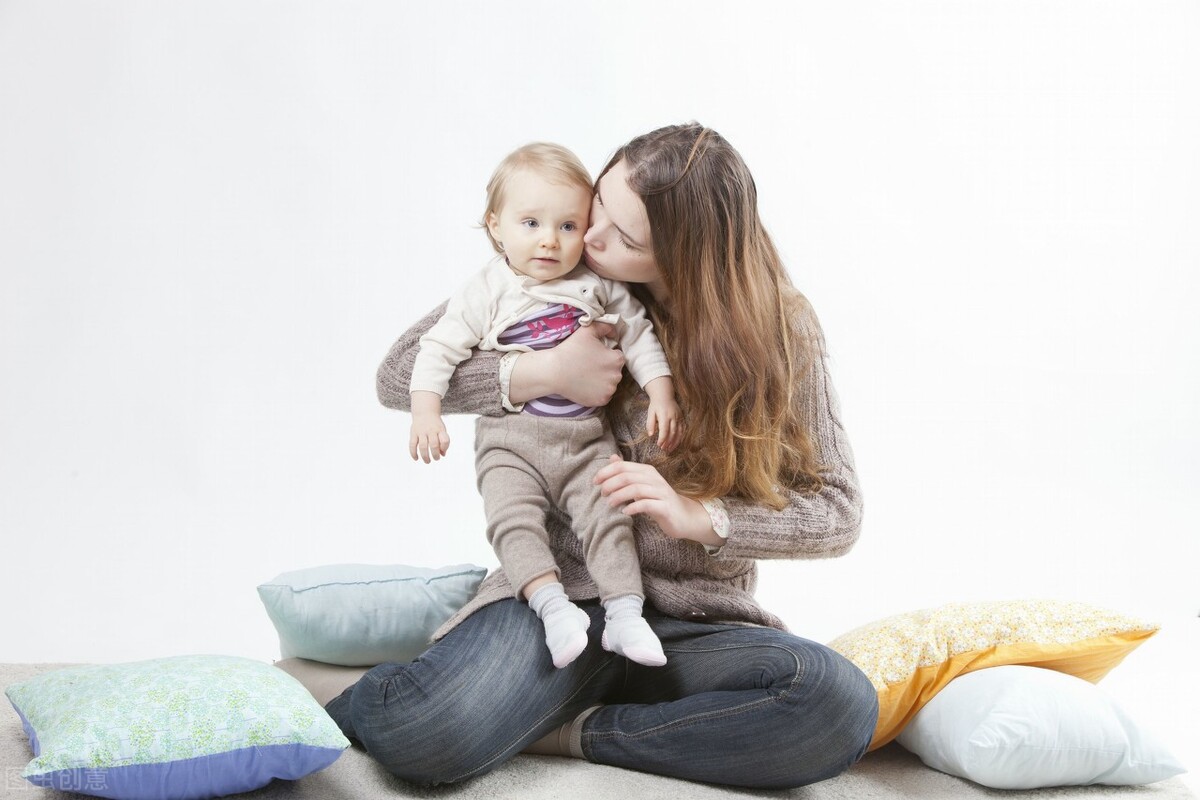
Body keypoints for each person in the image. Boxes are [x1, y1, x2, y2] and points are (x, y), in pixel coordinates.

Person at [326, 122, 878, 790]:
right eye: (598, 210)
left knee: (835, 703)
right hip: (563, 600)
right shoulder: (558, 269)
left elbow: (839, 513)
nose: (585, 238)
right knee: (423, 735)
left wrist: (700, 516)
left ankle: (576, 731)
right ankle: (469, 658)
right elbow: (399, 374)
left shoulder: (783, 330)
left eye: (622, 237)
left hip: (693, 622)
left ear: (683, 257)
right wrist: (543, 372)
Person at [408, 142, 679, 669]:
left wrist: (661, 389)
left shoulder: (598, 285)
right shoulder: (486, 289)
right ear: (495, 226)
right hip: (512, 443)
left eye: (568, 226)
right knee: (511, 521)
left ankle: (625, 615)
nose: (549, 242)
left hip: (585, 440)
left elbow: (640, 334)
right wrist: (426, 411)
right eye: (530, 223)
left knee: (610, 516)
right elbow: (437, 349)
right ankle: (554, 609)